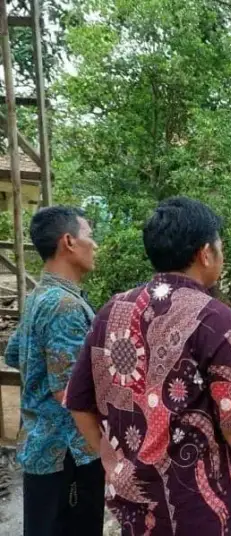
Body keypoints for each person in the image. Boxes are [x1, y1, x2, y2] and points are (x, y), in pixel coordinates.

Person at [64, 197, 231, 536]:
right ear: (205, 253)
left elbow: (79, 403)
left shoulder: (112, 310)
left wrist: (115, 462)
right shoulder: (217, 321)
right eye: (220, 247)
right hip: (196, 510)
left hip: (133, 504)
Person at [4, 206, 104, 536]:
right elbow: (71, 396)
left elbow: (14, 353)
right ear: (68, 242)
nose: (95, 245)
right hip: (69, 455)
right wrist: (109, 452)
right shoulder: (66, 306)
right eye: (89, 235)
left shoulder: (38, 296)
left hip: (38, 446)